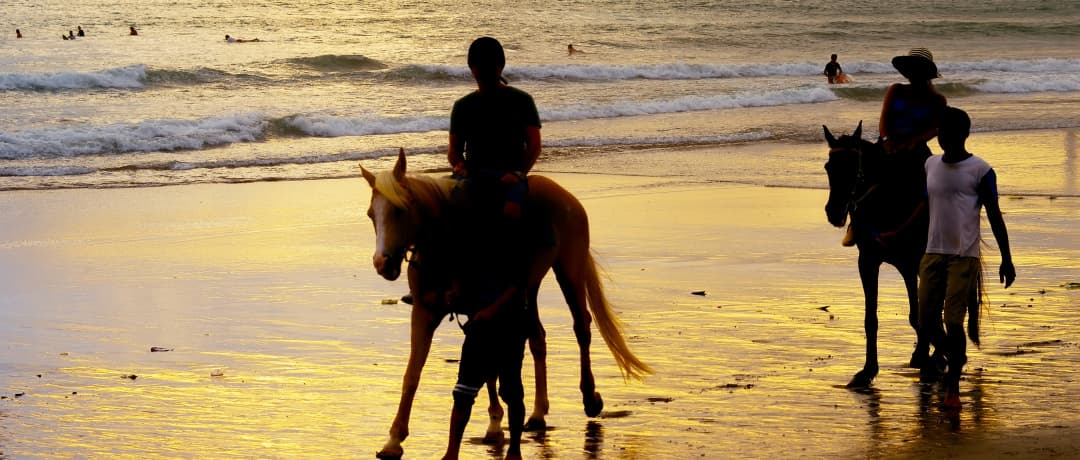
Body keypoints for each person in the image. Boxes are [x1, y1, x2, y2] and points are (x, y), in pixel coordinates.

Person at [918, 106, 1015, 409]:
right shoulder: (930, 164)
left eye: (947, 131)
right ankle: (956, 357)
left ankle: (953, 386)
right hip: (933, 252)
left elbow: (995, 216)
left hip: (963, 255)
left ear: (962, 134)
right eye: (939, 131)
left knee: (953, 321)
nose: (941, 136)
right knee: (925, 322)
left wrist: (1006, 258)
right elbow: (926, 207)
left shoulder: (981, 170)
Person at [440, 242, 530, 460]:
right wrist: (454, 291)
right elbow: (458, 270)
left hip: (510, 324)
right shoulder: (470, 240)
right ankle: (452, 453)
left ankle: (515, 451)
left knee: (511, 392)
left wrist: (493, 309)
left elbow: (520, 281)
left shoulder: (510, 239)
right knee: (462, 393)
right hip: (479, 325)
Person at [448, 36, 542, 220]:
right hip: (473, 176)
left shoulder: (522, 101)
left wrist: (518, 174)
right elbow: (454, 152)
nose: (484, 70)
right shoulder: (462, 106)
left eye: (490, 65)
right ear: (472, 69)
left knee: (511, 212)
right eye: (480, 65)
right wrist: (460, 166)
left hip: (511, 175)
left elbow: (534, 146)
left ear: (500, 67)